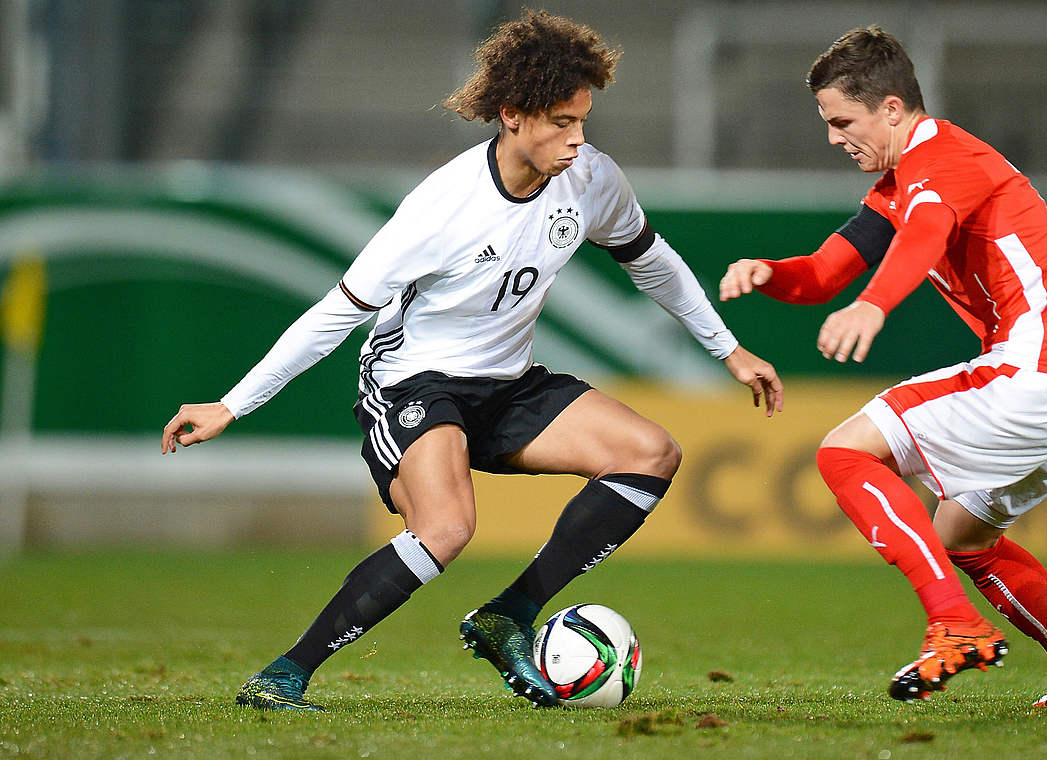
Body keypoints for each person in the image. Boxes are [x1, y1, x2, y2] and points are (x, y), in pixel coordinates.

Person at [161, 10, 782, 712]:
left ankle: (509, 614)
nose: (578, 139)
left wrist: (729, 350)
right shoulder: (442, 207)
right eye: (561, 122)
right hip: (413, 385)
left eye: (582, 121)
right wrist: (232, 404)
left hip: (508, 384)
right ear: (512, 115)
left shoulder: (591, 179)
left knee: (651, 453)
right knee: (447, 529)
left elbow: (651, 260)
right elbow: (337, 313)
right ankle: (284, 675)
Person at [720, 26, 1047, 710]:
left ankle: (953, 624)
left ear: (892, 108)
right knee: (964, 540)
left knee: (844, 453)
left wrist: (875, 305)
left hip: (1037, 369)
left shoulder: (941, 156)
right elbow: (825, 272)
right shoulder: (903, 182)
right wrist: (770, 272)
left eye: (842, 122)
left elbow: (926, 233)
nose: (833, 138)